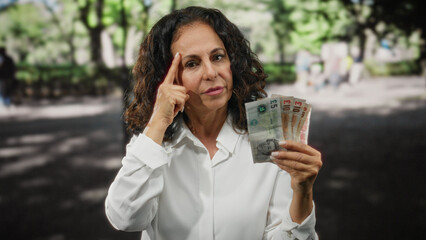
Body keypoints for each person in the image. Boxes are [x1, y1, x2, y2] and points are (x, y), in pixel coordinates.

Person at [105, 6, 322, 240]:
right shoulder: (151, 143)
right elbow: (125, 218)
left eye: (218, 57)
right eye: (192, 63)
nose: (211, 72)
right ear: (168, 77)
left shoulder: (269, 133)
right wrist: (158, 121)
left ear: (232, 62)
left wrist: (302, 190)